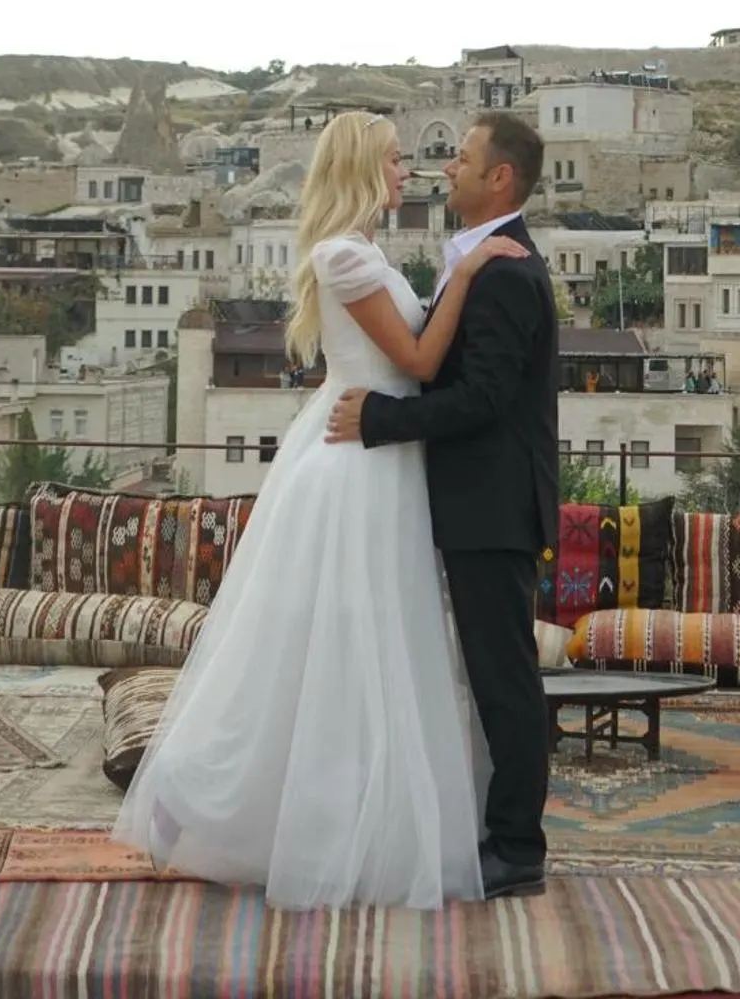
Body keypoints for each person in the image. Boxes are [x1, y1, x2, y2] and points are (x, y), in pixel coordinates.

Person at [111, 110, 526, 909]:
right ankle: (206, 794)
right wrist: (471, 271)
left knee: (360, 645)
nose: (409, 171)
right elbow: (417, 359)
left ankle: (336, 815)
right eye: (395, 159)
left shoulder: (365, 252)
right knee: (333, 644)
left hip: (382, 454)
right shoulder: (344, 255)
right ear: (363, 167)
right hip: (355, 466)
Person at [326, 111, 559, 901]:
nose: (444, 169)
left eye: (460, 158)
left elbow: (483, 399)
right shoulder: (479, 263)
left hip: (492, 507)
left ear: (499, 177)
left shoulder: (507, 273)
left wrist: (380, 420)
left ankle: (517, 849)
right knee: (488, 676)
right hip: (472, 502)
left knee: (503, 679)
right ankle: (485, 831)